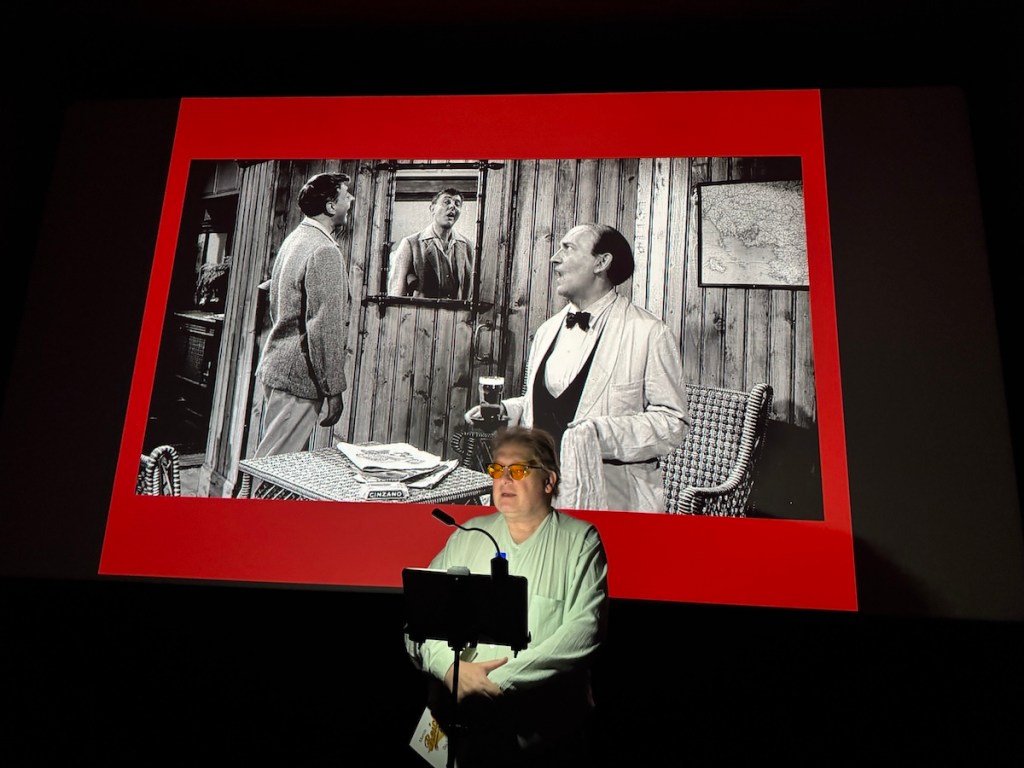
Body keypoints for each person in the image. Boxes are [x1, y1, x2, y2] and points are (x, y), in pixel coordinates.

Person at [407, 426, 608, 768]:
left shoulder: (581, 540)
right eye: (497, 470)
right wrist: (450, 669)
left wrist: (491, 684)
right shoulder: (467, 536)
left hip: (539, 737)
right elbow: (419, 625)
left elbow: (583, 633)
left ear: (549, 481)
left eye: (517, 470)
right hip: (449, 728)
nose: (503, 480)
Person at [466, 223, 690, 513]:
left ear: (601, 262)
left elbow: (672, 423)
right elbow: (548, 406)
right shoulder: (547, 330)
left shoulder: (649, 333)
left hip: (613, 500)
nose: (554, 258)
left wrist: (600, 433)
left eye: (568, 248)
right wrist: (507, 411)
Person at [252, 172, 355, 460]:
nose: (351, 200)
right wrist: (333, 390)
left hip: (280, 368)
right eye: (346, 195)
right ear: (331, 206)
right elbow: (323, 327)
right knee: (274, 469)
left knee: (276, 461)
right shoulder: (324, 250)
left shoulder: (296, 239)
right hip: (299, 377)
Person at [386, 187, 474, 299]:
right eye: (446, 202)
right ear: (432, 209)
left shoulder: (468, 247)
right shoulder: (411, 244)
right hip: (421, 310)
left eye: (457, 204)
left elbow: (470, 291)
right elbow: (397, 292)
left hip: (457, 311)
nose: (452, 206)